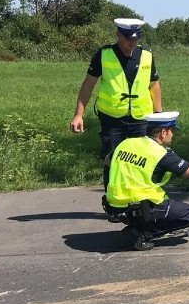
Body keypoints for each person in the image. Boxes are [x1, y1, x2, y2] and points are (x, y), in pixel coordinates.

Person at [104, 111, 189, 251]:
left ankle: (138, 224)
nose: (173, 135)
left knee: (163, 202)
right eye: (172, 131)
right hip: (141, 207)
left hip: (115, 205)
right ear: (163, 132)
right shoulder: (160, 153)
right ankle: (141, 234)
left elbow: (108, 161)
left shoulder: (127, 143)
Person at [70, 18, 163, 189]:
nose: (132, 42)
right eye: (128, 38)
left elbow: (154, 84)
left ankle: (142, 202)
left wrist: (158, 114)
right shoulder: (104, 54)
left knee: (143, 159)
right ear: (118, 35)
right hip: (112, 118)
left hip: (141, 117)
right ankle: (114, 204)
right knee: (112, 159)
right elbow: (88, 84)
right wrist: (78, 114)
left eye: (136, 38)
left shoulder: (147, 55)